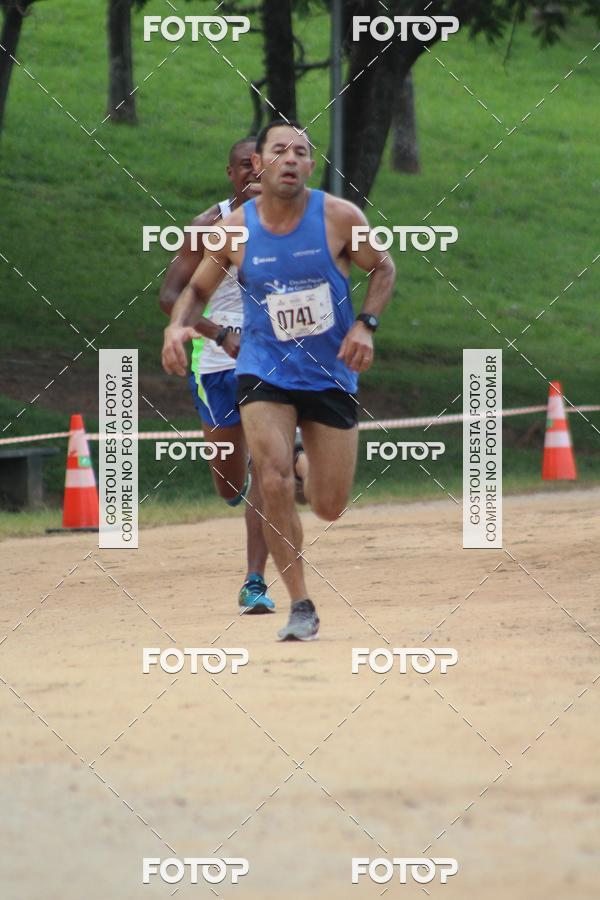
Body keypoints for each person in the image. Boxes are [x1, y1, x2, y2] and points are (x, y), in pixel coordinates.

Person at [162, 120, 396, 640]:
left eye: (301, 151)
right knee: (269, 478)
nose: (290, 158)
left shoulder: (340, 217)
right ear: (259, 163)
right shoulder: (232, 230)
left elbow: (383, 268)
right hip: (261, 367)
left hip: (328, 370)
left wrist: (365, 324)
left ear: (310, 165)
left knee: (329, 504)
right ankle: (300, 603)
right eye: (279, 150)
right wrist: (178, 328)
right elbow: (194, 291)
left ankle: (302, 464)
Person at [159, 136, 276, 614]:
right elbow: (170, 298)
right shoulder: (208, 226)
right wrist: (220, 333)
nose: (255, 172)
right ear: (231, 173)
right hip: (215, 364)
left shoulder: (297, 224)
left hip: (269, 361)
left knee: (268, 468)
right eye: (245, 166)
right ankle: (241, 479)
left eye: (262, 164)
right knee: (229, 484)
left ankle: (255, 581)